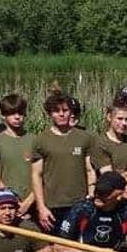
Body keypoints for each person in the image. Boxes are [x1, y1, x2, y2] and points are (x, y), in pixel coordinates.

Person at [29, 93, 96, 232]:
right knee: (55, 247)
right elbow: (37, 175)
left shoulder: (85, 138)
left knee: (80, 246)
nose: (61, 114)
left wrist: (90, 197)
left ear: (71, 112)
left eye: (65, 110)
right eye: (56, 111)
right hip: (52, 205)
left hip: (79, 203)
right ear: (49, 114)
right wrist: (41, 207)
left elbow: (90, 170)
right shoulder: (40, 140)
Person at [0, 94, 35, 219]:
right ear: (3, 116)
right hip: (8, 206)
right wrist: (14, 204)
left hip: (35, 203)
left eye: (20, 113)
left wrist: (28, 202)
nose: (17, 117)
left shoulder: (36, 141)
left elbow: (43, 176)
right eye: (12, 114)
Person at [89, 102, 127, 177]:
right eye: (119, 119)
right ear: (109, 117)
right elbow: (108, 175)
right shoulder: (100, 143)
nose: (124, 123)